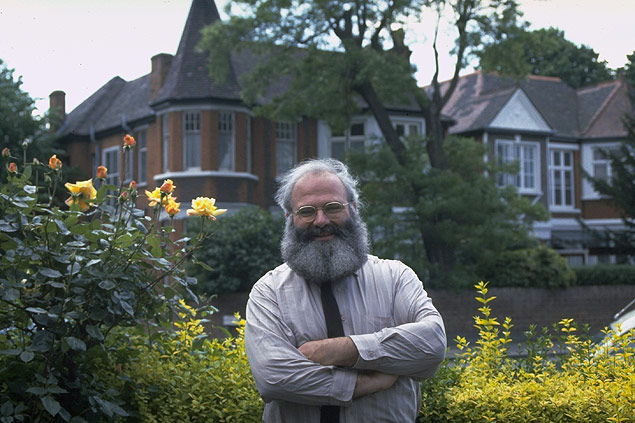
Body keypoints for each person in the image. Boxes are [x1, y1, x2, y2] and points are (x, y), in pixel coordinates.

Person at [244, 158, 446, 422]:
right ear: (289, 217)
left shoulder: (396, 277)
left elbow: (432, 346)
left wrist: (343, 349)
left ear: (354, 208)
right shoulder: (268, 291)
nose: (320, 220)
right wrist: (368, 382)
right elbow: (274, 378)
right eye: (306, 211)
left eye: (332, 207)